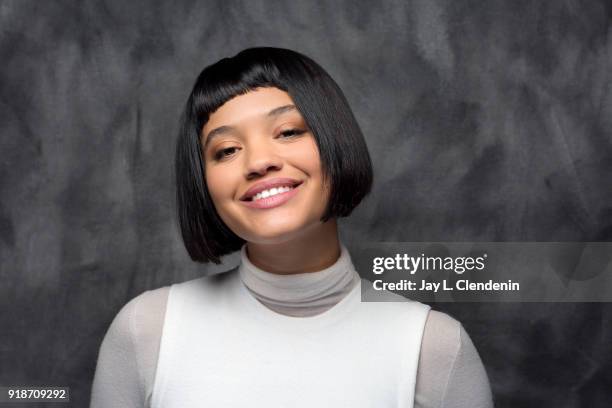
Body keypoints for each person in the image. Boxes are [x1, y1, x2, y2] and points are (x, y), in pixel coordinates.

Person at [90, 47, 494, 408]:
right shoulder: (146, 330)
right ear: (205, 182)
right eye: (227, 150)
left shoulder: (434, 347)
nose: (258, 162)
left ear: (335, 140)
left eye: (288, 132)